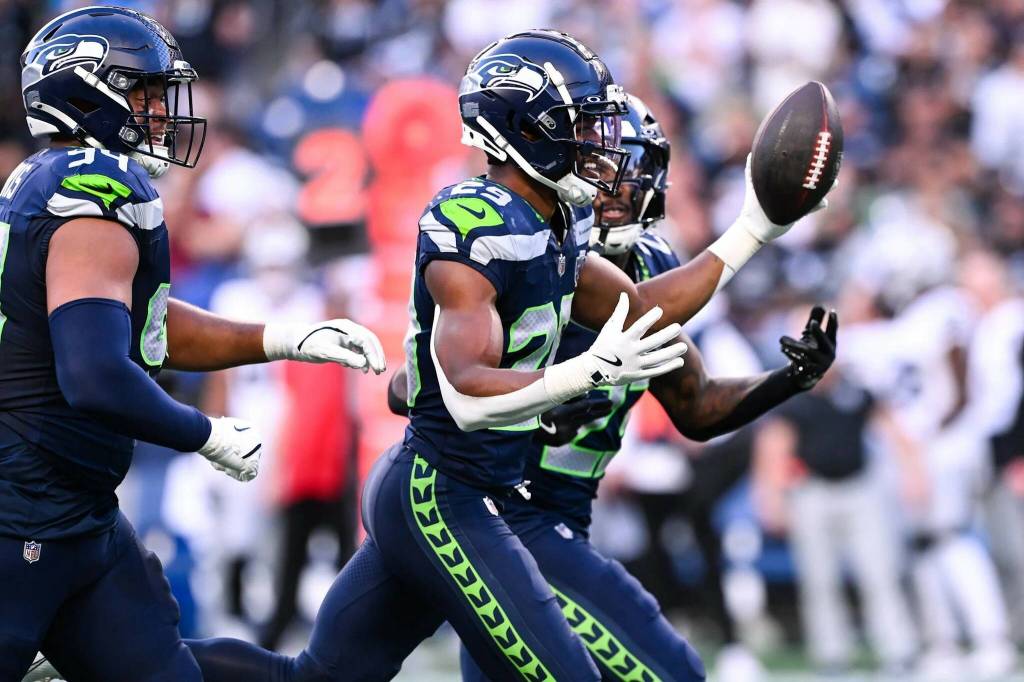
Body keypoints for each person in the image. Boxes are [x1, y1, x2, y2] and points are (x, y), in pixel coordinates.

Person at [187, 29, 833, 682]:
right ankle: (142, 657)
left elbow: (650, 325)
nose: (602, 151)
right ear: (527, 131)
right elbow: (452, 393)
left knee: (318, 679)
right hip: (453, 492)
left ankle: (148, 660)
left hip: (492, 496)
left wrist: (758, 234)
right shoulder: (480, 222)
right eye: (583, 127)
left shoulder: (566, 233)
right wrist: (574, 380)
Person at [386, 94, 836, 681]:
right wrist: (537, 401)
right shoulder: (539, 253)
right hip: (506, 513)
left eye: (630, 167)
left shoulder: (654, 265)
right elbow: (414, 388)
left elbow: (696, 405)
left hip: (566, 516)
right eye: (600, 165)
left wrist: (790, 380)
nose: (615, 185)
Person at [0, 7, 384, 681]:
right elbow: (94, 374)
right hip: (24, 509)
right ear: (84, 94)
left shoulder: (52, 175)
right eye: (144, 92)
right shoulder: (90, 190)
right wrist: (202, 432)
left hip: (73, 506)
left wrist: (284, 337)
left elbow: (138, 322)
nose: (162, 111)